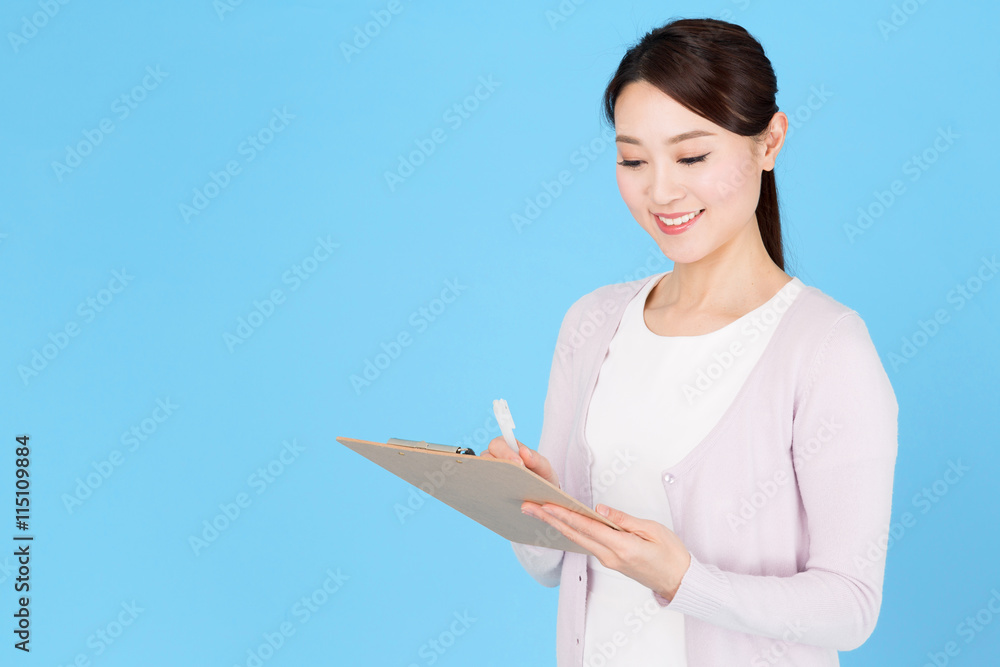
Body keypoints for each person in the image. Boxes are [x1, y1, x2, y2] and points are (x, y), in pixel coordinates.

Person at [478, 16, 898, 667]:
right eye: (632, 159)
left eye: (692, 156)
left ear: (771, 140)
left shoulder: (826, 346)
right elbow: (549, 567)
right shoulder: (591, 323)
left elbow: (850, 605)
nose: (661, 190)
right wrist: (523, 502)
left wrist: (683, 579)